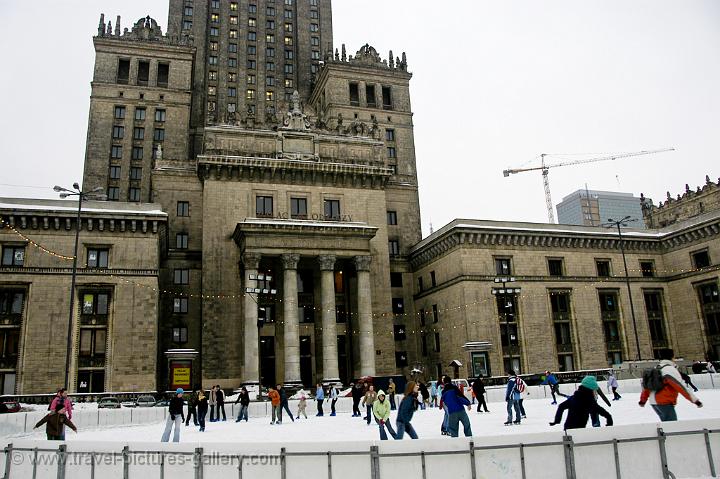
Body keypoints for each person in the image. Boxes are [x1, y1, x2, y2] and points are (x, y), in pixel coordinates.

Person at [639, 349, 703, 422]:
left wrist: (643, 400)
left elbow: (647, 386)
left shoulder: (656, 368)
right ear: (672, 357)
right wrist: (695, 400)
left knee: (667, 426)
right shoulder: (670, 369)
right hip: (664, 401)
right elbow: (680, 386)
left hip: (654, 402)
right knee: (672, 427)